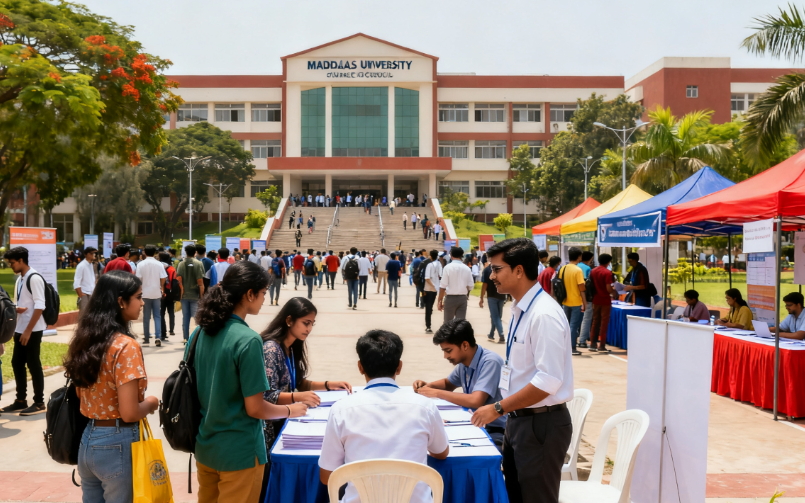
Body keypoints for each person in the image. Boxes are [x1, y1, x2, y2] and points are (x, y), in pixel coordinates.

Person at [191, 261, 307, 503]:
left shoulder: (199, 333)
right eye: (263, 293)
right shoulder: (248, 340)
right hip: (240, 453)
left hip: (205, 445)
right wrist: (290, 410)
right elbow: (256, 408)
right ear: (249, 294)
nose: (264, 298)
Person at [470, 238, 573, 503]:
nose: (491, 276)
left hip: (540, 423)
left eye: (496, 269)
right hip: (519, 419)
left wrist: (497, 408)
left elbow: (548, 380)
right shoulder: (520, 309)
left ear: (519, 270)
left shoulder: (543, 315)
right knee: (516, 496)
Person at [319, 330, 449, 503]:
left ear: (360, 367)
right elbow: (441, 452)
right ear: (399, 367)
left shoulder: (341, 410)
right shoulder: (425, 407)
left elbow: (327, 476)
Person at [63, 271, 160, 502]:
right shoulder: (125, 346)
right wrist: (152, 403)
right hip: (118, 441)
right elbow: (129, 412)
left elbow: (79, 393)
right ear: (120, 301)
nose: (142, 302)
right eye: (138, 296)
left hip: (88, 440)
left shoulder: (86, 339)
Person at [258, 297, 352, 500]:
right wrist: (296, 398)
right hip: (269, 428)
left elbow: (299, 383)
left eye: (312, 324)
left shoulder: (291, 347)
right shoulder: (271, 349)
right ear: (289, 320)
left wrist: (328, 385)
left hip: (288, 419)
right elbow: (266, 395)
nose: (309, 329)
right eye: (306, 323)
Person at [414, 319, 506, 451]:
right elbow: (448, 384)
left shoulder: (490, 362)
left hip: (494, 430)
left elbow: (476, 400)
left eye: (448, 350)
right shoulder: (464, 362)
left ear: (465, 345)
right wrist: (427, 386)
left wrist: (437, 393)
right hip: (473, 423)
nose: (445, 356)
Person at [1, 247, 47, 415]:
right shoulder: (20, 279)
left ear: (21, 260)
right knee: (17, 363)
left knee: (34, 364)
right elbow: (23, 302)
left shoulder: (34, 278)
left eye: (12, 263)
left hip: (32, 329)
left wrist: (28, 330)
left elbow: (40, 306)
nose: (10, 266)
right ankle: (20, 400)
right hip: (21, 328)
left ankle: (39, 402)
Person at [135, 245, 167, 347]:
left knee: (146, 316)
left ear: (144, 253)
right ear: (155, 253)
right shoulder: (159, 264)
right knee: (157, 315)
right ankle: (158, 336)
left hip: (145, 293)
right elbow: (163, 277)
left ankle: (147, 337)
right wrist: (162, 287)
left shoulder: (141, 264)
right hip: (156, 292)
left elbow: (138, 279)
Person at [176, 244, 205, 344]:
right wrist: (202, 297)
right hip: (195, 295)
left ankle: (185, 338)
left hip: (184, 295)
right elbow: (200, 282)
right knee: (196, 318)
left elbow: (179, 280)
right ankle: (196, 338)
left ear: (186, 252)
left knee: (185, 317)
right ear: (195, 252)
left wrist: (181, 294)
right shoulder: (199, 264)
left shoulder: (180, 264)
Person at [438, 246, 475, 322]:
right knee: (460, 324)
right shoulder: (467, 268)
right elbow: (470, 286)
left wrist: (440, 300)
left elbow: (443, 286)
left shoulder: (447, 268)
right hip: (462, 299)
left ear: (451, 255)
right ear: (462, 256)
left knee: (448, 324)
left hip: (450, 298)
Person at [560, 247, 586, 356]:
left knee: (565, 325)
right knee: (574, 326)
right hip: (576, 302)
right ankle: (572, 348)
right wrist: (585, 302)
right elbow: (582, 288)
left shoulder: (563, 268)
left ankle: (565, 346)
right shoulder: (577, 270)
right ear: (579, 257)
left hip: (565, 301)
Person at [589, 253, 617, 353]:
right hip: (605, 300)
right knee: (604, 323)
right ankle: (602, 345)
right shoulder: (607, 273)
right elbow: (608, 288)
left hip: (595, 299)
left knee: (595, 322)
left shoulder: (593, 271)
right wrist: (614, 292)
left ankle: (592, 344)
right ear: (608, 262)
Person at [479, 260, 506, 343]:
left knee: (495, 316)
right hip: (501, 295)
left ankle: (501, 335)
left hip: (491, 295)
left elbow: (485, 284)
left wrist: (481, 298)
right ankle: (491, 334)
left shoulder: (487, 270)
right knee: (497, 316)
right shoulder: (502, 268)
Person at [577, 251, 594, 349]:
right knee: (586, 318)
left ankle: (582, 336)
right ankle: (582, 339)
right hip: (585, 295)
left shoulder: (577, 266)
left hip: (576, 295)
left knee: (579, 318)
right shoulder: (588, 268)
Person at [74, 246, 98, 314]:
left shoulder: (91, 265)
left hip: (91, 293)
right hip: (84, 294)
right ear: (86, 254)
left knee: (90, 315)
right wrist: (81, 295)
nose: (94, 255)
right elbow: (77, 282)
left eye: (94, 253)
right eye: (91, 253)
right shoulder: (81, 266)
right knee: (83, 315)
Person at [423, 250, 442, 333]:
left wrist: (432, 285)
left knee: (428, 307)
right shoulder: (439, 264)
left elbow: (427, 278)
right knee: (430, 307)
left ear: (430, 256)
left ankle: (428, 326)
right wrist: (436, 286)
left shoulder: (429, 265)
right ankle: (428, 324)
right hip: (435, 289)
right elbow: (441, 276)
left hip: (428, 289)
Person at [159, 252, 177, 338]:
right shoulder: (172, 269)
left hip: (161, 291)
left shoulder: (158, 267)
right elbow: (175, 282)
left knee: (161, 313)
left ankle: (163, 332)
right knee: (171, 312)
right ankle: (171, 330)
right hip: (170, 292)